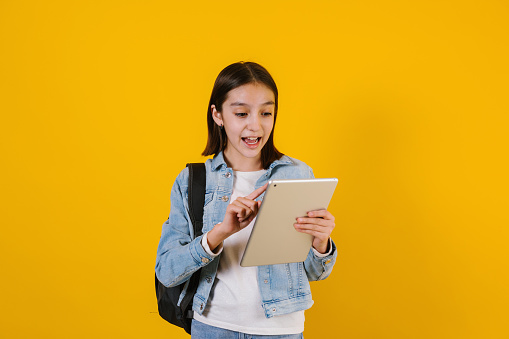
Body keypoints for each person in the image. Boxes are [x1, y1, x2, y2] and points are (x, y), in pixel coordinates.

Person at [155, 61, 337, 338]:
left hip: (282, 331)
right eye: (241, 113)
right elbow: (167, 271)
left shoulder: (298, 174)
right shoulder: (193, 180)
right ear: (217, 114)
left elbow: (315, 273)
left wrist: (321, 243)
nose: (256, 126)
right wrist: (220, 233)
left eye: (266, 113)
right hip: (213, 327)